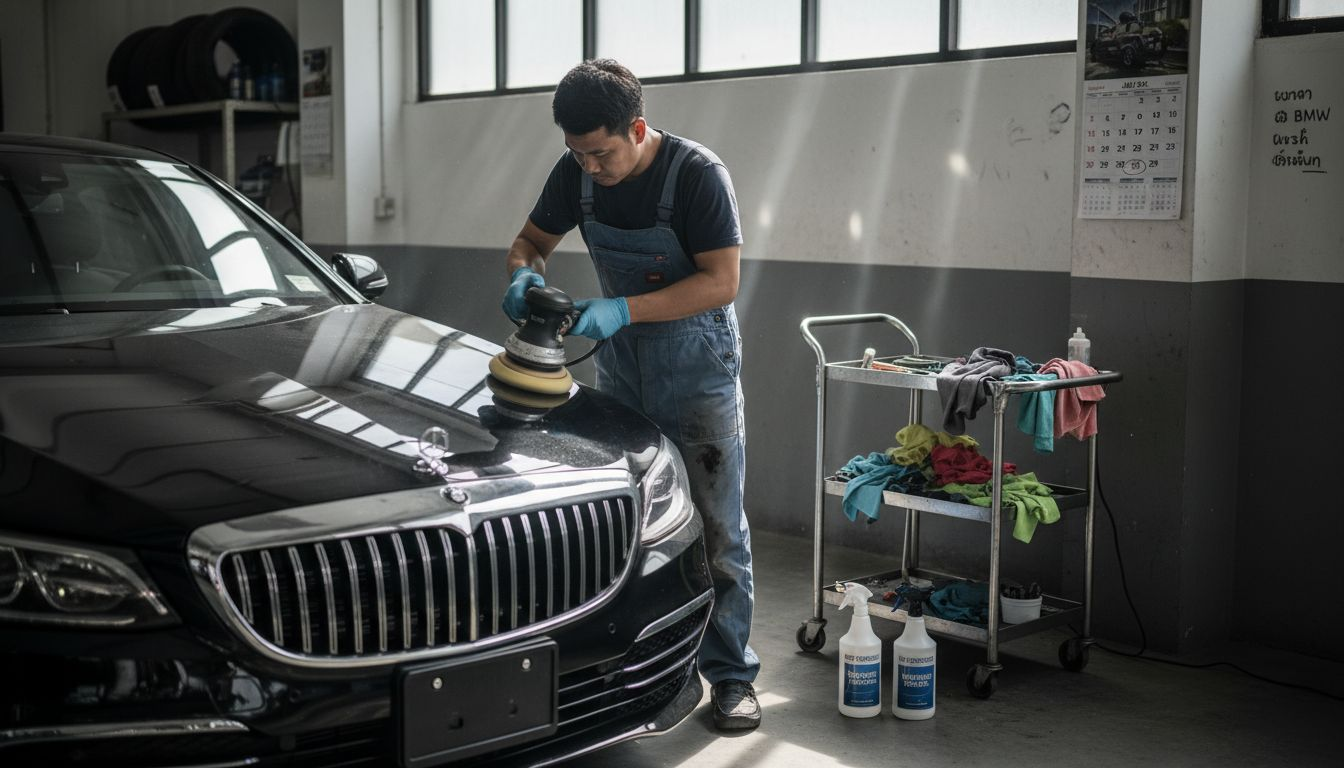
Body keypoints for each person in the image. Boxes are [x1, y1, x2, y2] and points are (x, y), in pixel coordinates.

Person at [502, 59, 760, 731]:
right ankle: (655, 675)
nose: (589, 168)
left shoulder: (697, 175)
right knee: (638, 525)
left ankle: (732, 675)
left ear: (636, 128)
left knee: (715, 529)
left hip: (696, 366)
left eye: (600, 153)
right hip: (622, 368)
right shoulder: (575, 175)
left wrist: (623, 310)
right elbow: (530, 242)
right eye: (577, 155)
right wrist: (523, 277)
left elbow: (722, 281)